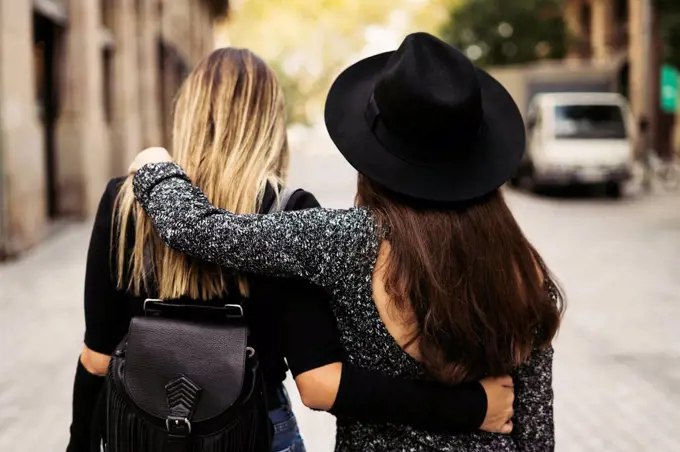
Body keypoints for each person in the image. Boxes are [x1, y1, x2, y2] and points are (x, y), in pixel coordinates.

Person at [66, 47, 517, 452]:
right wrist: (467, 406)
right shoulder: (288, 210)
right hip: (256, 427)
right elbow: (319, 381)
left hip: (142, 429)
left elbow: (97, 359)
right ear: (268, 121)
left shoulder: (126, 200)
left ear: (186, 111)